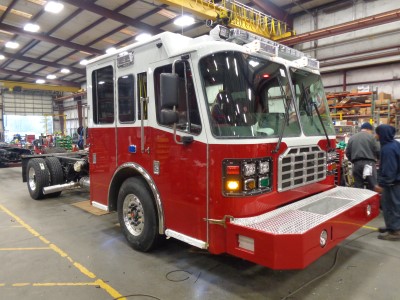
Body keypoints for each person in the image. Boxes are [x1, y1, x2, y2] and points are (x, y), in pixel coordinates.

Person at [374, 124, 400, 241]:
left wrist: (382, 184)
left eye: (377, 133)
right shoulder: (394, 144)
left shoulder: (388, 149)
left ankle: (395, 231)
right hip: (395, 182)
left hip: (392, 183)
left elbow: (390, 169)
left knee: (391, 206)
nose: (376, 135)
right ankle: (391, 226)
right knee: (392, 206)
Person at [345, 122, 380, 190]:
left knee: (358, 187)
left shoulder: (352, 138)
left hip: (356, 164)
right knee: (372, 185)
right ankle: (372, 199)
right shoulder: (372, 137)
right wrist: (378, 159)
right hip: (369, 164)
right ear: (369, 129)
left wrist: (353, 160)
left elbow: (348, 153)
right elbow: (378, 150)